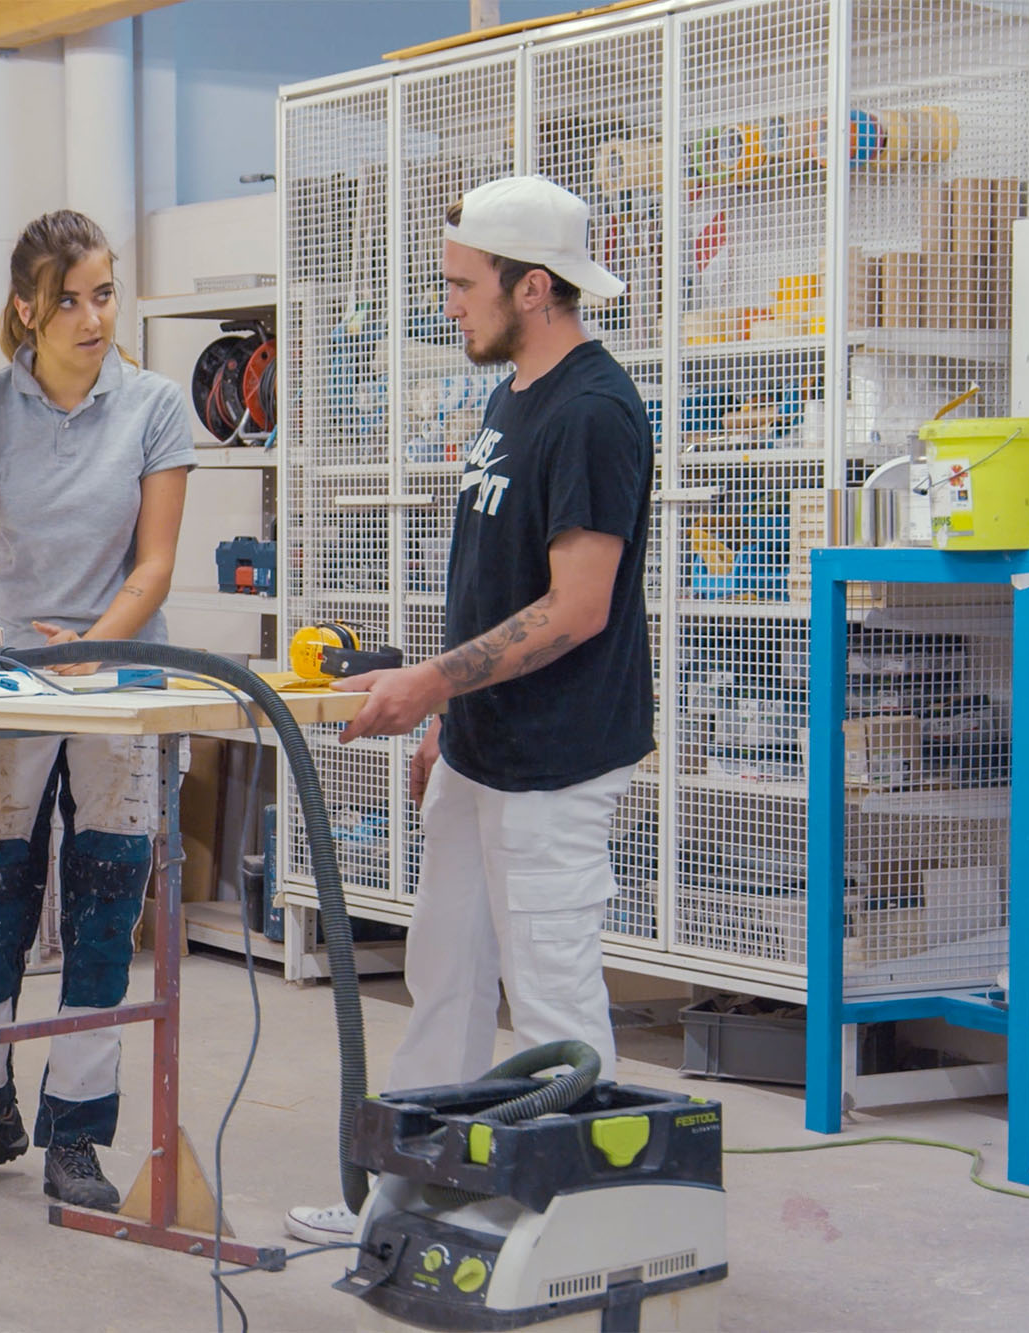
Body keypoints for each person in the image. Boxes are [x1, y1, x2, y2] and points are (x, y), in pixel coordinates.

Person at [285, 175, 654, 1244]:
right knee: (443, 979)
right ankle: (405, 1195)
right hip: (482, 748)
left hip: (556, 761)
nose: (445, 303)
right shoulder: (512, 394)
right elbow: (496, 584)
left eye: (461, 284)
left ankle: (579, 1230)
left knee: (551, 1004)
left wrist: (430, 685)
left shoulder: (592, 412)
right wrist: (451, 722)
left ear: (532, 286)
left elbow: (577, 607)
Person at [0, 209, 194, 1212]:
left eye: (102, 295)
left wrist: (96, 644)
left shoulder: (154, 405)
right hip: (7, 675)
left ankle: (78, 1131)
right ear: (26, 308)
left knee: (104, 904)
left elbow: (155, 563)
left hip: (116, 679)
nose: (91, 318)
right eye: (67, 300)